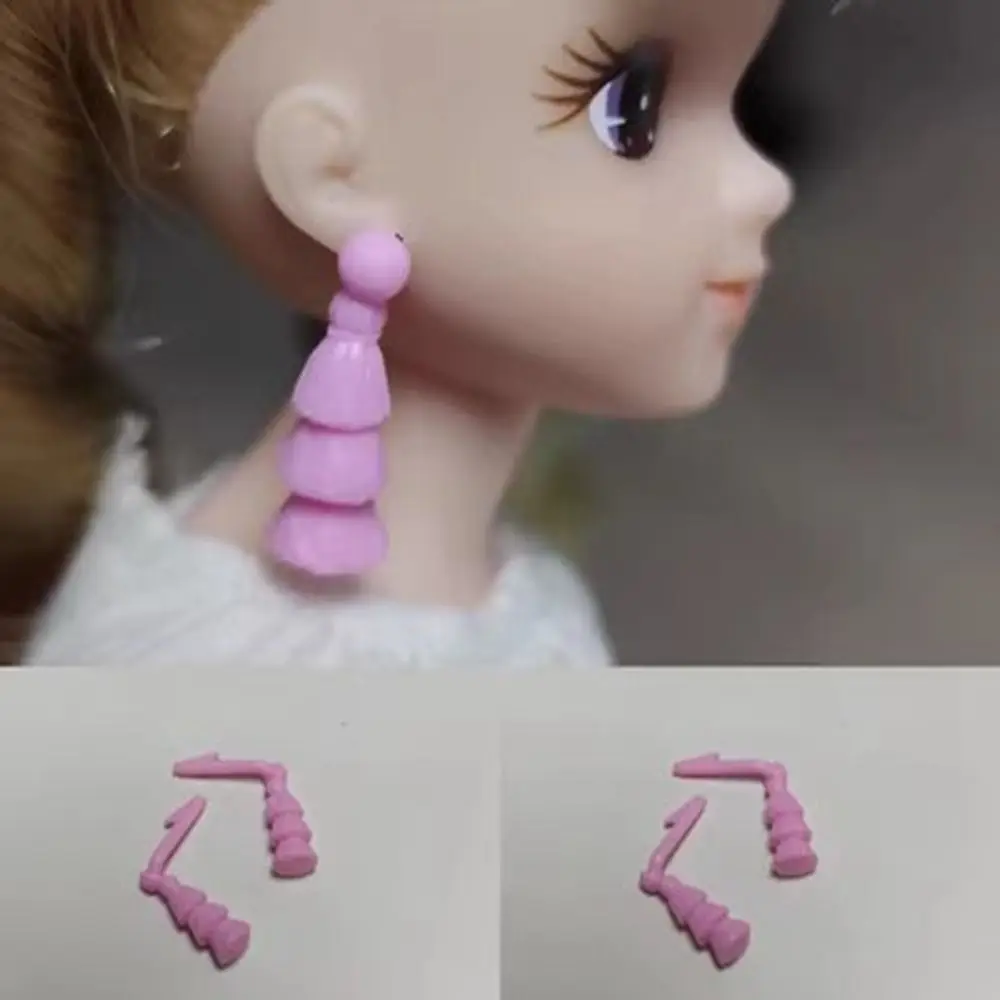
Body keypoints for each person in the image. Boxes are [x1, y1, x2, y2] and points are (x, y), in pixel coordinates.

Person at [4, 0, 792, 667]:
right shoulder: (241, 660)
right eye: (630, 108)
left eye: (735, 88)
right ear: (334, 176)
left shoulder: (490, 596)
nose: (766, 187)